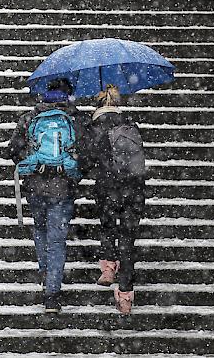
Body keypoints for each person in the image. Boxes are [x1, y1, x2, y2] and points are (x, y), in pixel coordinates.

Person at [7, 78, 87, 313]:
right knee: (57, 239)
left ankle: (46, 271)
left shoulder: (30, 118)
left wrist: (35, 161)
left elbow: (13, 150)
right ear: (68, 94)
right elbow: (87, 154)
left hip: (36, 186)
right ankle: (52, 293)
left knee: (40, 231)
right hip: (63, 187)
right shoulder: (76, 119)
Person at [84, 84, 145, 314]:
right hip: (134, 189)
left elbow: (87, 160)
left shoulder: (94, 127)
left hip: (108, 188)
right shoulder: (130, 125)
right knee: (128, 240)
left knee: (108, 226)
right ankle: (126, 296)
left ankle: (109, 267)